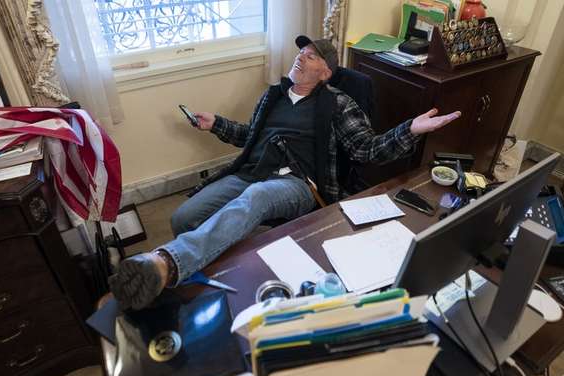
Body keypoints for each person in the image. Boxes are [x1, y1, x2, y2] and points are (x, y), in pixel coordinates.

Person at [109, 36, 461, 310]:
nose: (300, 57)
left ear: (326, 72)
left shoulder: (337, 103)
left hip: (298, 184)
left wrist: (410, 129)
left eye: (311, 55)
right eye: (300, 52)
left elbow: (366, 149)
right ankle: (212, 280)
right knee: (183, 218)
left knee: (257, 198)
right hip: (251, 172)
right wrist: (216, 124)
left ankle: (164, 262)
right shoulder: (274, 95)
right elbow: (251, 137)